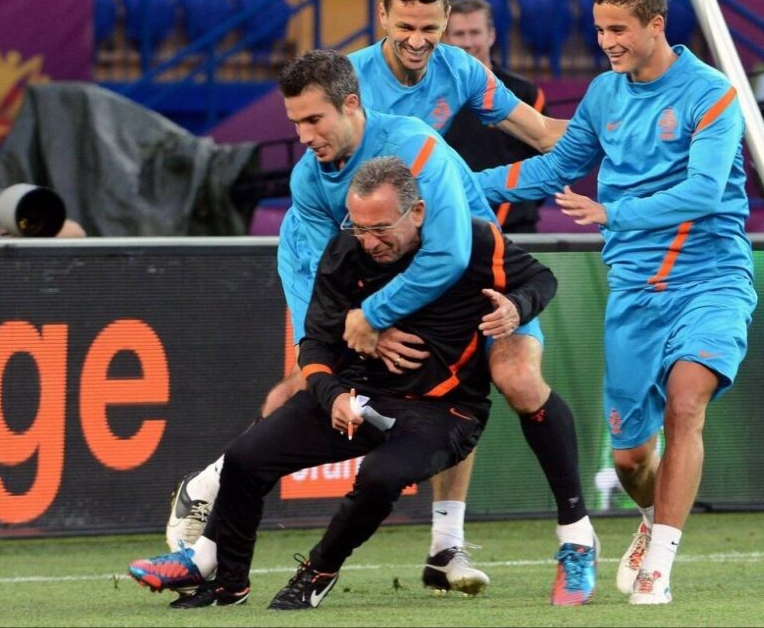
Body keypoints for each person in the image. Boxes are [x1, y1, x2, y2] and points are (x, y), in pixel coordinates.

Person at [168, 0, 597, 601]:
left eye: (431, 27)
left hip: (439, 242)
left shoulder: (459, 74)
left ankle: (569, 539)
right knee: (301, 382)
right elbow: (330, 244)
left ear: (446, 23)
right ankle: (210, 548)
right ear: (383, 20)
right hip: (360, 254)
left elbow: (541, 137)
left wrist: (619, 138)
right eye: (406, 28)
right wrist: (365, 318)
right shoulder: (341, 89)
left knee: (510, 377)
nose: (419, 40)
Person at [128, 156, 559, 611]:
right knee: (243, 457)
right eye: (359, 227)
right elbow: (314, 344)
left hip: (445, 410)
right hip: (360, 393)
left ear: (417, 213)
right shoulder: (344, 250)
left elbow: (541, 279)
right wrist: (333, 396)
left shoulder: (469, 239)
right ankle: (227, 583)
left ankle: (318, 572)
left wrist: (517, 306)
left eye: (380, 228)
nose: (369, 241)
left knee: (379, 476)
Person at [474, 0, 758, 605]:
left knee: (687, 403)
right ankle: (653, 515)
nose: (607, 42)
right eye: (600, 29)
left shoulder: (710, 93)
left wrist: (614, 211)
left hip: (711, 276)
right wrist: (463, 187)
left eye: (619, 29)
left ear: (656, 25)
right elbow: (556, 167)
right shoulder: (604, 95)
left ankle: (659, 564)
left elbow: (706, 192)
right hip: (633, 290)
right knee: (632, 458)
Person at [442, 0, 545, 233]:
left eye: (475, 32)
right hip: (451, 226)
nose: (468, 42)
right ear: (447, 39)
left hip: (516, 229)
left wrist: (519, 207)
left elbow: (544, 163)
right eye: (459, 34)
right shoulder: (432, 95)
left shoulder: (525, 93)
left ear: (491, 35)